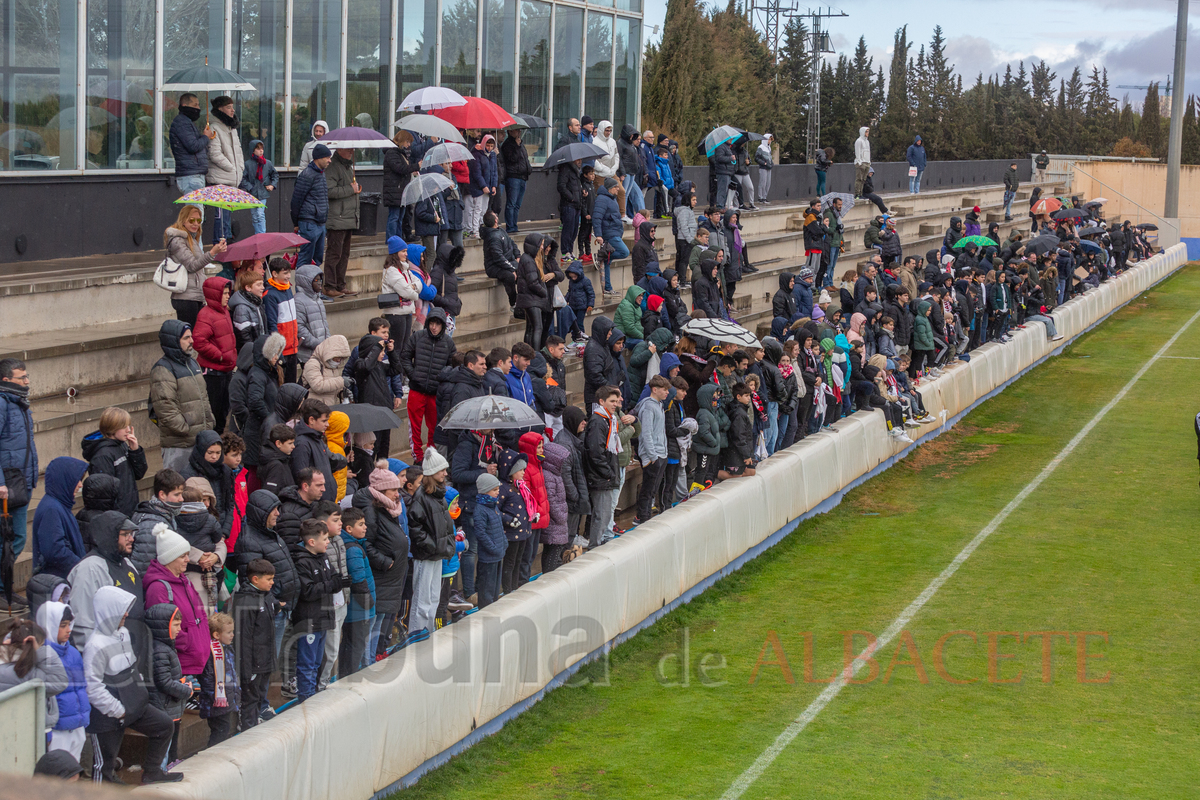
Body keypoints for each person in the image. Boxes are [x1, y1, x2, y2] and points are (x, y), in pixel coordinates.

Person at [83, 585, 181, 784]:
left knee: (164, 726)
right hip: (108, 714)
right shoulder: (95, 645)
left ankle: (152, 772)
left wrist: (138, 698)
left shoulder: (124, 633)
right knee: (104, 766)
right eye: (121, 609)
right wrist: (118, 710)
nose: (126, 613)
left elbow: (132, 669)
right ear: (109, 611)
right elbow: (92, 688)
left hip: (133, 705)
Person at [355, 462, 408, 658]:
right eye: (393, 490)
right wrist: (385, 561)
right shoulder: (371, 510)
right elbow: (365, 543)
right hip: (381, 577)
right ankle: (366, 664)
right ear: (381, 490)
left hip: (389, 580)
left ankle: (371, 660)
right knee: (371, 629)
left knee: (378, 627)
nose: (397, 494)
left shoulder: (387, 508)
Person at [150, 320, 215, 472]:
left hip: (199, 441)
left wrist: (209, 421)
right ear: (173, 341)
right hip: (179, 446)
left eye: (191, 336)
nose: (191, 341)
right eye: (186, 338)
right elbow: (165, 408)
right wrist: (185, 429)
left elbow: (203, 398)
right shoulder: (162, 369)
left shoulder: (193, 363)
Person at [287, 519, 339, 702]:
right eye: (325, 539)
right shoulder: (301, 562)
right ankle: (306, 700)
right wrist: (332, 584)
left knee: (318, 662)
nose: (328, 542)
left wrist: (337, 583)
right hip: (309, 620)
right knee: (307, 664)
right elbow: (307, 591)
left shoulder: (323, 557)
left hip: (323, 617)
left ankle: (313, 696)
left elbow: (333, 578)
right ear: (311, 542)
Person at [407, 449, 455, 635]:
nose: (445, 473)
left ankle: (428, 631)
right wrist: (433, 546)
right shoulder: (421, 497)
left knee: (434, 597)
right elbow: (415, 529)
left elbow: (446, 524)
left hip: (437, 554)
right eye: (441, 470)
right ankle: (417, 633)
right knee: (422, 600)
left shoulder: (438, 495)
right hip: (426, 555)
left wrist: (446, 545)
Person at [0, 358, 35, 608]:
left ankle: (6, 587)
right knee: (6, 540)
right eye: (22, 378)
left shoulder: (20, 403)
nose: (27, 381)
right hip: (6, 485)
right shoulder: (2, 404)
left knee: (18, 537)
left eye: (27, 377)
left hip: (21, 482)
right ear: (6, 380)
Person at [400, 308, 456, 462]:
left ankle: (431, 456)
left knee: (433, 427)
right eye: (432, 323)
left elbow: (452, 366)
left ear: (442, 326)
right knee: (415, 427)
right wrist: (413, 375)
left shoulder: (448, 343)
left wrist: (441, 380)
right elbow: (405, 357)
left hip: (434, 393)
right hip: (417, 390)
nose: (434, 327)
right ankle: (418, 457)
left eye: (437, 324)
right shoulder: (417, 337)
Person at [35, 602, 89, 759]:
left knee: (72, 774)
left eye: (69, 624)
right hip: (57, 731)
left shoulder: (73, 652)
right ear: (49, 624)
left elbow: (81, 687)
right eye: (63, 625)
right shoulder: (41, 656)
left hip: (77, 727)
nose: (69, 630)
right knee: (55, 779)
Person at [227, 557, 275, 731]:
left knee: (259, 698)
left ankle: (253, 726)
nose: (272, 583)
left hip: (264, 661)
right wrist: (246, 670)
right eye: (269, 579)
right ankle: (247, 731)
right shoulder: (247, 601)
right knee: (250, 701)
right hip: (253, 664)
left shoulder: (266, 597)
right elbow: (243, 639)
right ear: (255, 579)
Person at [144, 602, 192, 764]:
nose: (180, 629)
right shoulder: (160, 650)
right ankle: (159, 772)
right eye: (176, 625)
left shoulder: (166, 647)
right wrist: (186, 691)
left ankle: (170, 763)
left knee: (171, 740)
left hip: (170, 706)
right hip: (163, 706)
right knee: (163, 747)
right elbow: (164, 682)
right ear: (163, 627)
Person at [165, 205, 226, 327]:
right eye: (191, 220)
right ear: (183, 220)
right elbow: (192, 266)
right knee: (189, 336)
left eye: (198, 220)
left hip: (195, 296)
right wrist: (213, 252)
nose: (196, 224)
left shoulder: (192, 240)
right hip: (186, 297)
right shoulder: (178, 240)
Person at [80, 407, 146, 518]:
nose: (128, 430)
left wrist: (135, 451)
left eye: (128, 426)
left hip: (129, 510)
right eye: (124, 427)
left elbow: (139, 474)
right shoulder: (102, 456)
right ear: (112, 428)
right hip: (116, 516)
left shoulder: (122, 445)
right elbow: (103, 495)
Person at [191, 276, 237, 433]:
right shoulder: (206, 314)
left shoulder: (224, 311)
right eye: (224, 293)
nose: (227, 296)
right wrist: (221, 356)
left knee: (223, 413)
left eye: (227, 293)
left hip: (226, 371)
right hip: (213, 374)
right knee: (214, 414)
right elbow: (198, 341)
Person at [30, 457, 87, 579]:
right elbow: (55, 551)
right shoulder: (52, 509)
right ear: (65, 480)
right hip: (57, 583)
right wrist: (81, 568)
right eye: (77, 480)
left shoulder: (59, 505)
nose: (80, 485)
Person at [633, 375, 672, 524]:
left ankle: (644, 516)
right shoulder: (648, 407)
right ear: (654, 390)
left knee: (653, 489)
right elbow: (646, 433)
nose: (667, 392)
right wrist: (652, 457)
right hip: (653, 456)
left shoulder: (659, 405)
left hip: (661, 453)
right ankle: (642, 519)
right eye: (664, 390)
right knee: (648, 490)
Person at [324, 148, 362, 297]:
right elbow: (329, 191)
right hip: (337, 218)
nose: (352, 151)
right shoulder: (333, 167)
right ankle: (330, 286)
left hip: (348, 217)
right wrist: (350, 189)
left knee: (344, 254)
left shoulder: (348, 166)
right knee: (335, 253)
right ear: (340, 150)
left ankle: (340, 284)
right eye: (349, 149)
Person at [205, 96, 244, 243]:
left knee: (227, 217)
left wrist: (240, 168)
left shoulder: (231, 129)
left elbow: (238, 152)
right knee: (221, 218)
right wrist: (232, 168)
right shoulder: (214, 128)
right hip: (221, 178)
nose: (233, 110)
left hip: (232, 178)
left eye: (232, 107)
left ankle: (226, 245)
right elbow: (215, 154)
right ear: (220, 109)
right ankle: (220, 246)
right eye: (228, 107)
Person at [516, 234, 564, 350]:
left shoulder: (548, 260)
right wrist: (544, 292)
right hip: (537, 298)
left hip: (541, 298)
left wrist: (553, 275)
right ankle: (535, 353)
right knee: (537, 328)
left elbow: (561, 275)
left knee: (536, 328)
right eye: (543, 245)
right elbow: (533, 282)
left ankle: (535, 352)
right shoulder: (531, 260)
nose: (545, 248)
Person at [292, 144, 333, 268]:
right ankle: (302, 287)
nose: (330, 160)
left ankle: (315, 287)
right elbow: (296, 201)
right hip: (309, 223)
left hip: (320, 223)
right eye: (327, 157)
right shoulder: (307, 175)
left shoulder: (321, 173)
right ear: (318, 158)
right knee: (305, 258)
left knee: (317, 260)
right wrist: (296, 223)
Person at [169, 93, 214, 200]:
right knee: (195, 212)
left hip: (194, 173)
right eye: (195, 105)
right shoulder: (182, 123)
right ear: (185, 105)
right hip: (191, 175)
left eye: (198, 105)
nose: (198, 108)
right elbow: (193, 146)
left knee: (197, 211)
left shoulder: (187, 122)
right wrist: (205, 137)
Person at [265, 258, 301, 383]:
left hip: (293, 347)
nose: (289, 276)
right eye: (285, 273)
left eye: (289, 272)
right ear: (274, 274)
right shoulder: (270, 295)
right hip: (282, 351)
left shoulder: (288, 289)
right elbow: (272, 324)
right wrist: (277, 349)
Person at [472, 474, 505, 607]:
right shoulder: (480, 510)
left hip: (498, 555)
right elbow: (481, 533)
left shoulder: (493, 506)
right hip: (488, 557)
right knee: (487, 591)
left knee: (495, 590)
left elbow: (500, 526)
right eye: (495, 490)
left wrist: (503, 543)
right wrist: (493, 548)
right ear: (485, 491)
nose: (498, 492)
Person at [383, 130, 420, 239]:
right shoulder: (392, 153)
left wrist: (411, 170)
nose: (409, 145)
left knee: (399, 217)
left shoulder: (400, 153)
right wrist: (416, 166)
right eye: (407, 142)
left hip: (401, 190)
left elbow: (402, 169)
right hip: (395, 190)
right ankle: (391, 239)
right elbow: (399, 168)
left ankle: (398, 239)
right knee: (394, 217)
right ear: (402, 140)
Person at [481, 210, 521, 311]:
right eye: (496, 216)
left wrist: (518, 255)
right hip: (494, 267)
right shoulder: (493, 237)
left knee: (525, 271)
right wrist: (512, 269)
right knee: (510, 276)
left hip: (508, 262)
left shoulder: (501, 230)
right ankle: (514, 303)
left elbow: (512, 243)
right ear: (495, 220)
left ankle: (525, 300)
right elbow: (498, 258)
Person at [592, 178, 626, 296]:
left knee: (607, 260)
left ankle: (608, 287)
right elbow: (597, 218)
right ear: (610, 188)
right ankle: (602, 256)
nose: (618, 189)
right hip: (610, 234)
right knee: (624, 252)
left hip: (615, 233)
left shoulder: (611, 199)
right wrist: (599, 235)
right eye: (616, 187)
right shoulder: (602, 199)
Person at [239, 140, 278, 235]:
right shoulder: (248, 164)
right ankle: (258, 234)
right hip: (252, 193)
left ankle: (262, 234)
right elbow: (243, 178)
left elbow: (275, 175)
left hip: (263, 193)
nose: (261, 151)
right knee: (254, 216)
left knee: (260, 214)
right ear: (253, 150)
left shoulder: (267, 163)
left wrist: (272, 185)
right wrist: (250, 187)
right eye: (258, 149)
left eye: (262, 149)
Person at [500, 128, 531, 233]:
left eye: (520, 130)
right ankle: (510, 226)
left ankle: (514, 224)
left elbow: (524, 158)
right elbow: (513, 159)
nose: (519, 132)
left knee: (517, 204)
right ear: (510, 131)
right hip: (513, 176)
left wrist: (528, 169)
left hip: (523, 176)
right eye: (516, 130)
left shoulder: (520, 144)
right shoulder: (508, 145)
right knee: (511, 203)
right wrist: (517, 147)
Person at [228, 270, 268, 352]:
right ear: (248, 288)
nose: (263, 288)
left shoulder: (257, 303)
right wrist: (254, 351)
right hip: (252, 352)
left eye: (262, 284)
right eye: (258, 285)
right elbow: (243, 335)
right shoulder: (242, 308)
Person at [558, 157, 583, 261]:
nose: (580, 162)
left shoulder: (577, 172)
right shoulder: (565, 170)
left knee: (574, 230)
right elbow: (561, 186)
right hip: (568, 205)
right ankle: (565, 253)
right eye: (578, 160)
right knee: (568, 229)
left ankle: (570, 251)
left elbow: (577, 188)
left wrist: (582, 193)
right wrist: (571, 198)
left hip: (577, 205)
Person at [755, 134, 774, 204]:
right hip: (763, 167)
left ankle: (765, 197)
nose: (769, 141)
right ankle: (760, 197)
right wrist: (764, 163)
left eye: (770, 140)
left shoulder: (769, 148)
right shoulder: (761, 147)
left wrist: (771, 163)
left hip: (768, 167)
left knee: (768, 183)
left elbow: (770, 157)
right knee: (762, 182)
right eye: (768, 139)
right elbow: (757, 158)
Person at [853, 126, 871, 198]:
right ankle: (857, 194)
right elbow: (857, 152)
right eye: (866, 132)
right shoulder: (859, 141)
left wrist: (869, 161)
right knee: (859, 179)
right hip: (861, 162)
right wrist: (859, 161)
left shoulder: (867, 141)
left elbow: (868, 151)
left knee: (864, 179)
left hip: (867, 162)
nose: (867, 133)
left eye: (868, 131)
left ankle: (861, 193)